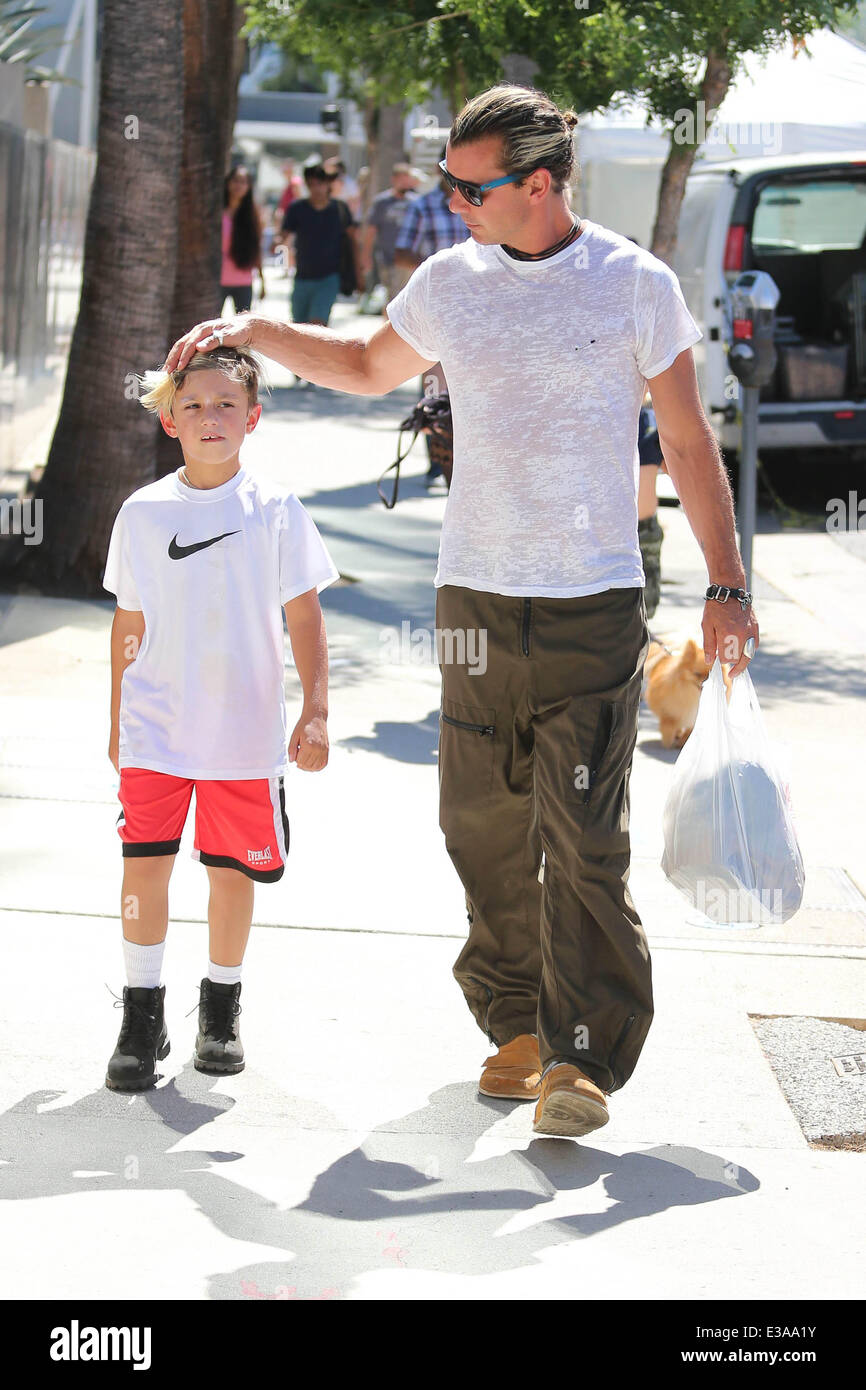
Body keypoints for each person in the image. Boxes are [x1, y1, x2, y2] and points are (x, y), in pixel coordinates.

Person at [165, 84, 759, 1140]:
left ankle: (582, 1056)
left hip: (589, 599)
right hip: (470, 596)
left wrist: (722, 583)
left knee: (581, 833)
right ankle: (520, 1021)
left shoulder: (633, 284)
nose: (450, 202)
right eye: (444, 183)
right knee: (476, 820)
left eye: (467, 186)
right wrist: (254, 325)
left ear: (536, 184)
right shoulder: (450, 282)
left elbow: (683, 439)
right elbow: (359, 365)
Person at [102, 346, 338, 1091]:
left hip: (243, 738)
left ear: (253, 417)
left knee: (230, 873)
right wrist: (117, 718)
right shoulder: (142, 513)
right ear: (170, 418)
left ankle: (220, 1010)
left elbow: (306, 618)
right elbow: (127, 621)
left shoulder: (274, 511)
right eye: (195, 405)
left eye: (226, 405)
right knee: (144, 869)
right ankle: (141, 1016)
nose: (211, 418)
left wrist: (317, 712)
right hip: (157, 730)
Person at [393, 150, 470, 485]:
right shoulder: (422, 206)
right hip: (437, 308)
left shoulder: (480, 202)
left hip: (476, 307)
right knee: (434, 386)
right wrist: (434, 271)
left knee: (467, 387)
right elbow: (400, 250)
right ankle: (437, 458)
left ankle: (463, 459)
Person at [280, 162, 359, 341]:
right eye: (312, 184)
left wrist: (359, 273)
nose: (316, 188)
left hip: (329, 277)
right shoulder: (297, 208)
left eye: (320, 183)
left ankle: (313, 368)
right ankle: (300, 369)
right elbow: (284, 235)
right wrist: (277, 243)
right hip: (302, 277)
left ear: (327, 184)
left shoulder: (339, 209)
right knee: (299, 330)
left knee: (318, 328)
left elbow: (352, 240)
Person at [360, 162, 420, 311]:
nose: (405, 182)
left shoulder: (415, 202)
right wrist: (366, 255)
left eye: (407, 178)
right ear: (394, 179)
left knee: (404, 297)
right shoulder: (382, 202)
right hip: (386, 256)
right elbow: (371, 230)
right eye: (401, 179)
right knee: (391, 297)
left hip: (407, 258)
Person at [221, 165, 265, 314]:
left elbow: (257, 249)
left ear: (249, 187)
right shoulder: (217, 212)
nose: (239, 185)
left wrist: (263, 281)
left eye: (243, 182)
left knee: (243, 332)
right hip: (217, 280)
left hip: (243, 281)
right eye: (235, 180)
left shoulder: (253, 214)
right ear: (228, 183)